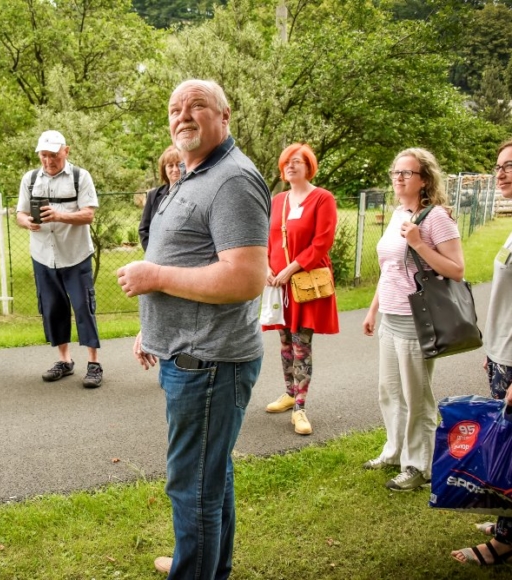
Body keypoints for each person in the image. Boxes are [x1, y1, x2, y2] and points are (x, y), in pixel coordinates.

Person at [117, 79, 271, 579]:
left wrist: (152, 276)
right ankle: (204, 564)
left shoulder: (232, 180)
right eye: (174, 108)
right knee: (210, 476)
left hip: (209, 364)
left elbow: (246, 277)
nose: (183, 115)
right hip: (187, 353)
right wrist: (153, 326)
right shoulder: (192, 174)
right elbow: (187, 255)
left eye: (196, 105)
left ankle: (194, 568)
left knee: (192, 485)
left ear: (225, 115)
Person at [361, 148, 463, 491]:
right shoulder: (397, 214)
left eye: (407, 173)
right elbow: (389, 269)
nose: (398, 177)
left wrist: (419, 245)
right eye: (395, 172)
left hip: (416, 318)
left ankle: (418, 466)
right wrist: (374, 309)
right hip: (390, 315)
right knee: (389, 391)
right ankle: (394, 451)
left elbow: (457, 270)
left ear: (424, 180)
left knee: (416, 395)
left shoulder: (436, 218)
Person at [451, 138, 512, 566]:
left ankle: (505, 543)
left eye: (511, 165)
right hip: (504, 354)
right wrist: (493, 350)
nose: (502, 172)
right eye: (499, 166)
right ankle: (507, 521)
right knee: (506, 445)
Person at [16, 130, 104, 388]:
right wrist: (27, 223)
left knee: (83, 309)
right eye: (43, 155)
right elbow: (20, 213)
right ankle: (64, 361)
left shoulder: (80, 177)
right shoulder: (30, 179)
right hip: (43, 256)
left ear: (66, 151)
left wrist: (58, 215)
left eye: (53, 155)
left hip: (75, 256)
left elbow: (88, 215)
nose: (48, 160)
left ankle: (94, 364)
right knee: (53, 309)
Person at [262, 143, 339, 436]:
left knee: (301, 343)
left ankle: (301, 407)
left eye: (298, 161)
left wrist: (289, 269)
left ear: (309, 166)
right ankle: (289, 393)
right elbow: (268, 239)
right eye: (287, 162)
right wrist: (268, 268)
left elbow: (322, 242)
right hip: (277, 283)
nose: (291, 166)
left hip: (303, 282)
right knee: (284, 341)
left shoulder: (322, 198)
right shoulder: (277, 200)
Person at [139, 145, 181, 250]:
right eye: (170, 166)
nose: (175, 169)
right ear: (164, 169)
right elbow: (144, 229)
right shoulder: (153, 195)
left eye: (179, 164)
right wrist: (152, 253)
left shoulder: (194, 192)